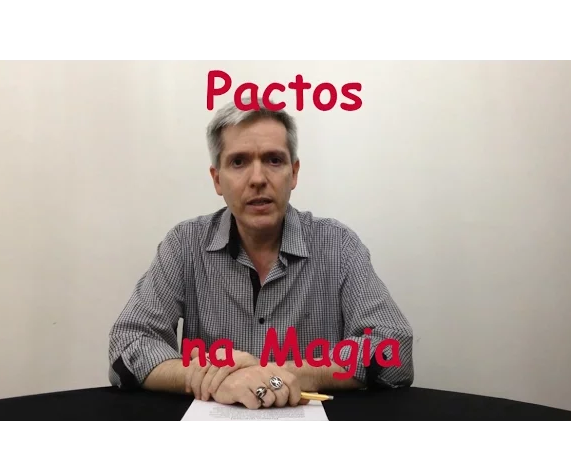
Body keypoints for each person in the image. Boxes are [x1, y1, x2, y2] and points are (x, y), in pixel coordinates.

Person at [108, 97, 414, 410]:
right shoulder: (184, 245)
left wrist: (284, 374)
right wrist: (212, 378)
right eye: (238, 162)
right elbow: (127, 346)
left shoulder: (338, 245)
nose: (257, 179)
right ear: (217, 179)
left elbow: (394, 349)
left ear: (294, 173)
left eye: (274, 160)